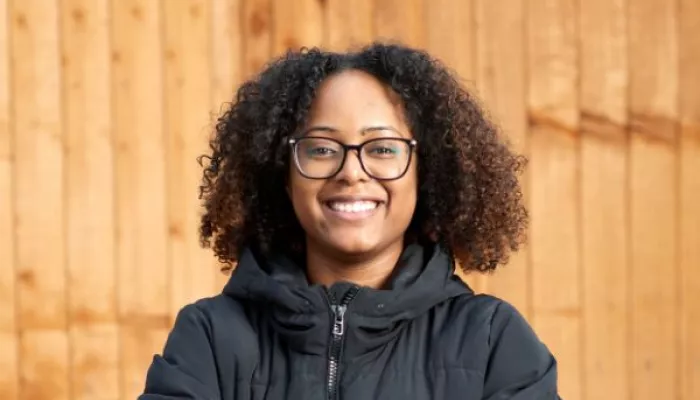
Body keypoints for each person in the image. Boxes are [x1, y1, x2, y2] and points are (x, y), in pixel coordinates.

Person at [139, 42, 559, 399]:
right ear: (283, 177)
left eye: (383, 148)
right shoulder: (210, 338)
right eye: (321, 149)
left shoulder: (491, 340)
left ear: (425, 174)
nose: (351, 172)